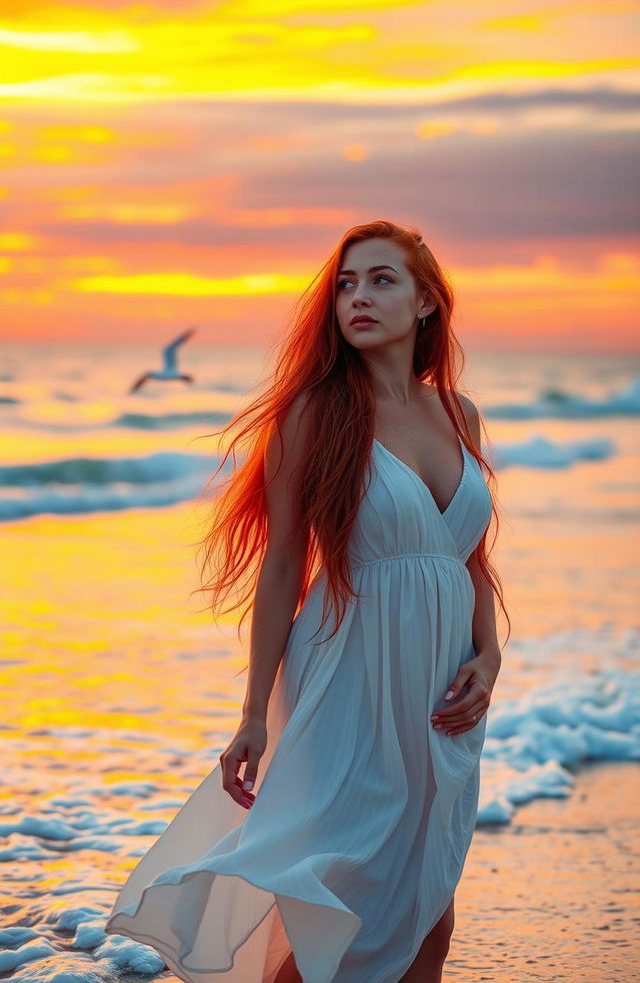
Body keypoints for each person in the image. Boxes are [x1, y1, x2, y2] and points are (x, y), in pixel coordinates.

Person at [105, 219, 509, 983]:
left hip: (440, 694)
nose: (357, 297)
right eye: (346, 285)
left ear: (426, 302)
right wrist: (254, 712)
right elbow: (284, 564)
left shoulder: (458, 414)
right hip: (346, 671)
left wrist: (489, 657)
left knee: (430, 911)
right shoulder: (316, 414)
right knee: (341, 904)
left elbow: (468, 559)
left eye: (381, 280)